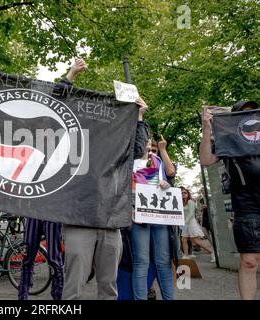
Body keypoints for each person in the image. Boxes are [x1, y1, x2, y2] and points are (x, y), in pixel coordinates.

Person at [63, 93, 150, 300]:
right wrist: (71, 76)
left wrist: (139, 117)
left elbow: (137, 150)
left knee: (109, 286)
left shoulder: (116, 146)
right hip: (79, 221)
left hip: (110, 221)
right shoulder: (72, 143)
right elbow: (58, 107)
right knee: (74, 285)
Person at [18, 59, 87, 301]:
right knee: (28, 254)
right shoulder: (26, 140)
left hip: (54, 205)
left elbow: (58, 100)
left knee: (56, 257)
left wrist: (71, 74)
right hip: (33, 205)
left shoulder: (62, 138)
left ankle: (58, 299)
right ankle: (22, 298)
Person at [199, 100, 260, 300]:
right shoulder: (228, 140)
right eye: (243, 114)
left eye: (252, 114)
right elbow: (206, 160)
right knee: (250, 260)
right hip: (247, 207)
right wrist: (207, 128)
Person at [129, 140, 174, 300]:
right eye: (143, 141)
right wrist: (130, 210)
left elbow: (167, 178)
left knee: (163, 262)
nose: (147, 146)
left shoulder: (157, 160)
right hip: (138, 217)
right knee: (142, 262)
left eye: (149, 143)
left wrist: (165, 185)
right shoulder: (129, 162)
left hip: (159, 215)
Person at [180, 186, 215, 262]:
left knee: (196, 240)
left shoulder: (190, 201)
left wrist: (184, 223)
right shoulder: (182, 203)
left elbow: (191, 213)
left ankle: (212, 252)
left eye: (185, 192)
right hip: (186, 223)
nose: (183, 194)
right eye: (182, 193)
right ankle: (186, 255)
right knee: (184, 239)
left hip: (191, 222)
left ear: (188, 194)